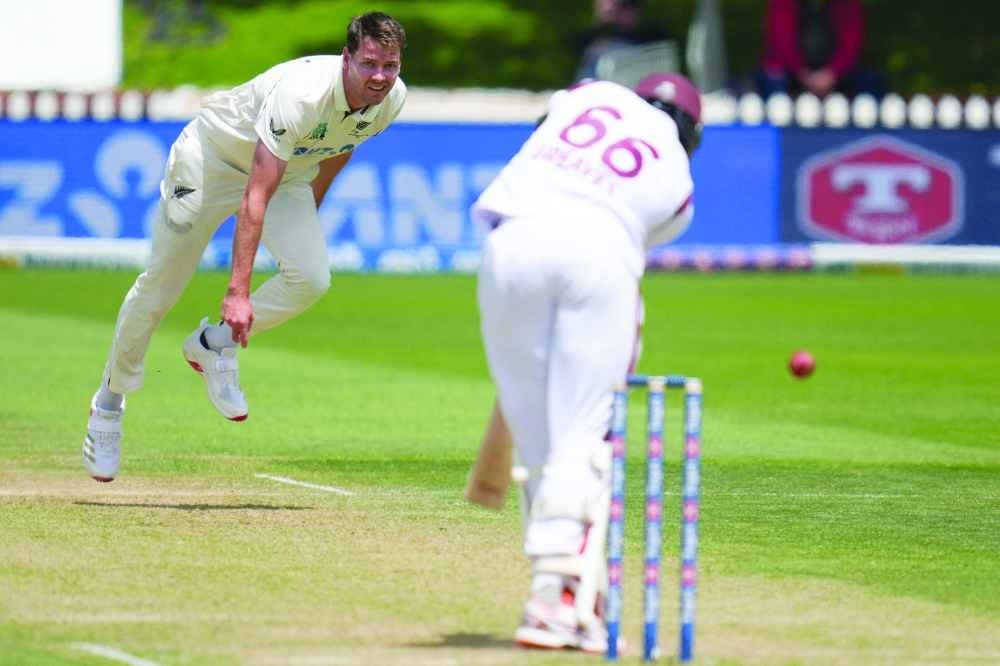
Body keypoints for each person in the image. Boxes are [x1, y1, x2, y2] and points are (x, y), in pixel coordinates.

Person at [82, 11, 407, 483]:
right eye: (370, 63)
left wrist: (306, 215)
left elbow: (343, 145)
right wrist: (237, 293)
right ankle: (108, 404)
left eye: (390, 65)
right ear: (347, 58)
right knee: (162, 286)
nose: (380, 76)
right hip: (211, 160)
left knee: (312, 277)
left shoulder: (392, 99)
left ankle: (213, 344)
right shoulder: (303, 95)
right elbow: (255, 193)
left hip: (289, 173)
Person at [472, 73, 702, 652]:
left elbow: (545, 125)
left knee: (542, 447)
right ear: (691, 131)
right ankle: (558, 600)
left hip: (509, 246)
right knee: (582, 438)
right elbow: (641, 234)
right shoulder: (679, 178)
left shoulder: (590, 94)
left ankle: (565, 590)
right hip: (597, 252)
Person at [758, 0, 883, 99]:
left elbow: (852, 42)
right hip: (791, 72)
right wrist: (803, 74)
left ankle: (865, 130)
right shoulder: (783, 3)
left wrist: (832, 74)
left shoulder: (846, 3)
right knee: (772, 81)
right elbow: (781, 42)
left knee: (871, 81)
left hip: (838, 74)